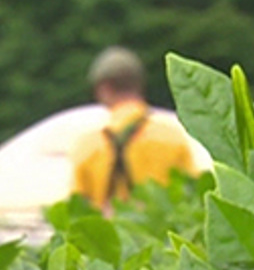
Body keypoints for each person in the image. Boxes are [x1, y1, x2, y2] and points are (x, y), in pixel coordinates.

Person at [70, 46, 203, 210]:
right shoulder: (172, 137)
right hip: (162, 233)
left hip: (111, 233)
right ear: (139, 84)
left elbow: (77, 210)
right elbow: (192, 195)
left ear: (104, 88)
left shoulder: (88, 146)